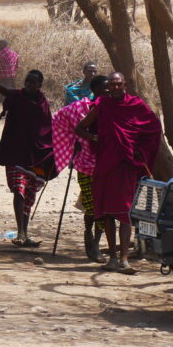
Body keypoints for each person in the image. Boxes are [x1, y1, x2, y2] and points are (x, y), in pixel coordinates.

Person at [76, 71, 162, 273]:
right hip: (105, 165)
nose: (114, 88)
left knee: (124, 213)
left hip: (125, 166)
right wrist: (93, 138)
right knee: (106, 213)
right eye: (111, 85)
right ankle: (112, 258)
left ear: (125, 85)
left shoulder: (136, 105)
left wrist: (140, 149)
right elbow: (80, 128)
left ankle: (123, 258)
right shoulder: (102, 105)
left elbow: (154, 127)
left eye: (118, 84)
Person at [51, 74, 108, 262]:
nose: (107, 91)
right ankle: (88, 235)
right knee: (92, 207)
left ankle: (97, 244)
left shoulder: (113, 109)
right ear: (95, 90)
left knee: (104, 207)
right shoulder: (85, 109)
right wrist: (90, 138)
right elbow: (74, 127)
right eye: (103, 88)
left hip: (106, 165)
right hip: (85, 164)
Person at [0, 69, 53, 247]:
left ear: (39, 85)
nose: (28, 85)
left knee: (29, 194)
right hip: (15, 151)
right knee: (19, 189)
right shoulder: (16, 96)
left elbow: (47, 128)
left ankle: (25, 233)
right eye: (27, 81)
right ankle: (20, 231)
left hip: (35, 155)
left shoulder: (43, 103)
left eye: (33, 83)